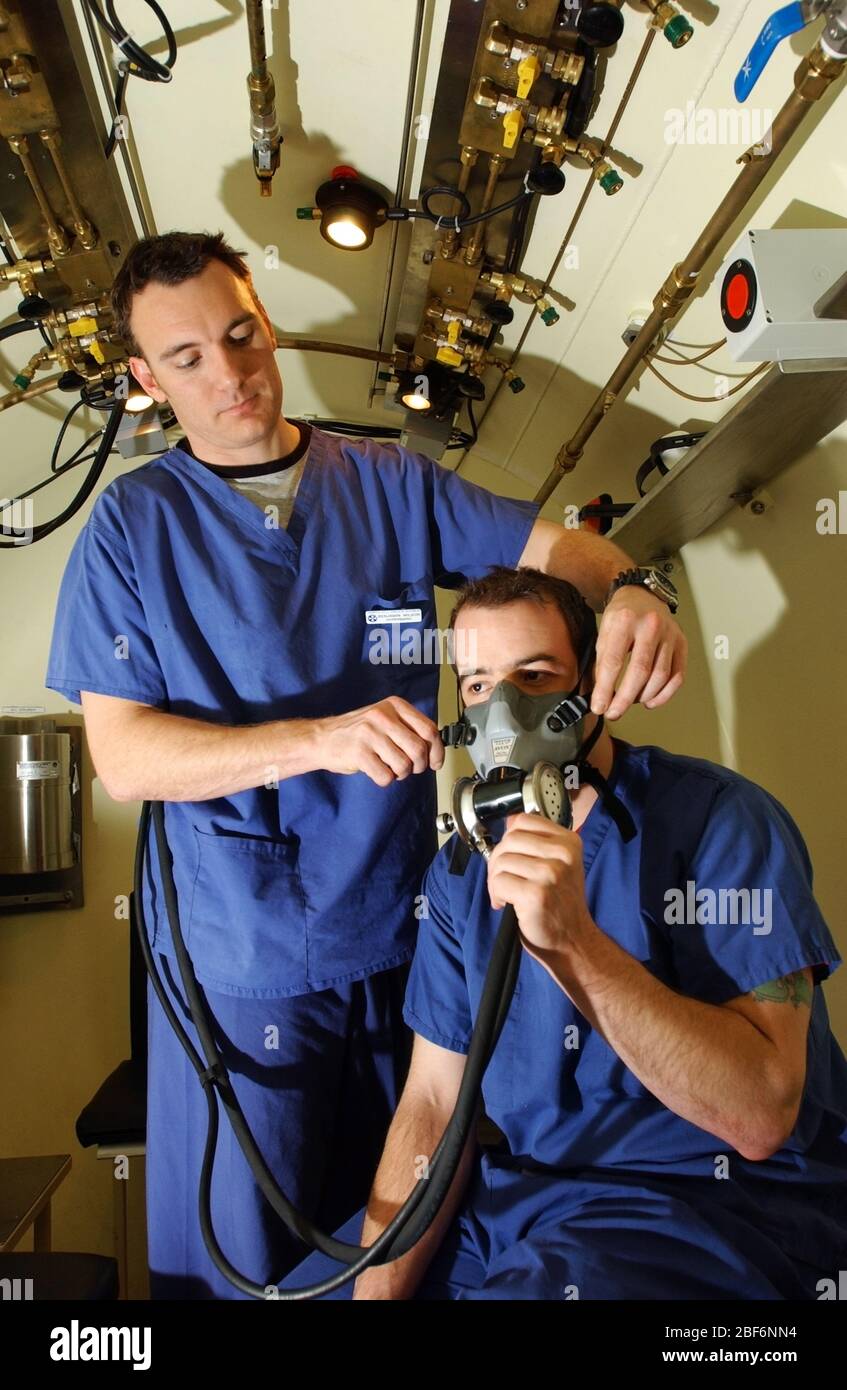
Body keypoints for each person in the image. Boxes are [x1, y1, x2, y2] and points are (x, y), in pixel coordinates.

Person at [45, 231, 687, 1299]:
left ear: (270, 325)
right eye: (189, 356)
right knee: (255, 1269)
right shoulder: (131, 527)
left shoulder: (384, 481)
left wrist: (632, 588)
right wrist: (319, 737)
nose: (231, 371)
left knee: (398, 1237)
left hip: (399, 940)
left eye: (241, 334)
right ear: (146, 382)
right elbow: (122, 757)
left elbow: (559, 549)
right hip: (243, 963)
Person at [284, 566, 847, 1301]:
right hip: (522, 1203)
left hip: (709, 1205)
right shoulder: (461, 872)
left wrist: (575, 941)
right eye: (479, 685)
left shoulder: (719, 823)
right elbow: (432, 1102)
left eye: (537, 674)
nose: (504, 709)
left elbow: (761, 1112)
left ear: (593, 689)